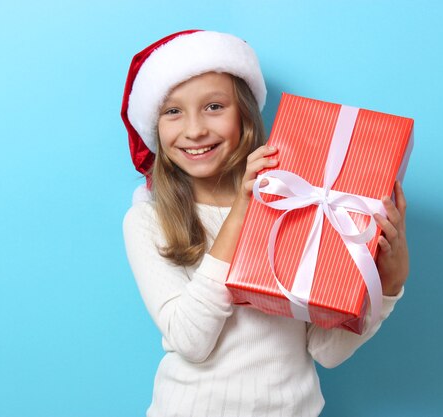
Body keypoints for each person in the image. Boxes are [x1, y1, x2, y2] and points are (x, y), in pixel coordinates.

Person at [121, 30, 409, 417]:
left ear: (244, 112)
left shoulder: (290, 203)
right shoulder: (147, 220)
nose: (194, 130)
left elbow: (326, 351)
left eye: (214, 107)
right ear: (154, 128)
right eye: (173, 111)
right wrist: (243, 210)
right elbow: (191, 340)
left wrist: (387, 284)